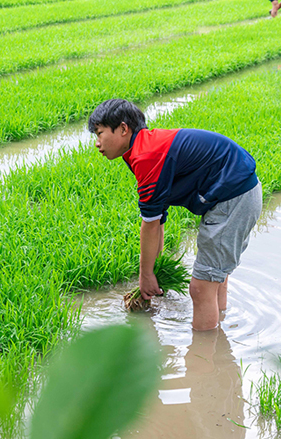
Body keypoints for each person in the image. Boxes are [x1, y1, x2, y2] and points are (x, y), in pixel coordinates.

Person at [88, 99, 263, 331]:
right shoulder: (145, 148)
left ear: (122, 129)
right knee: (214, 279)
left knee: (201, 288)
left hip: (233, 197)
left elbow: (149, 224)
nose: (97, 143)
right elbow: (157, 218)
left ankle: (204, 360)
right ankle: (219, 332)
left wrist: (145, 276)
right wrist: (154, 270)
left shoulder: (146, 156)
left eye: (100, 134)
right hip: (239, 193)